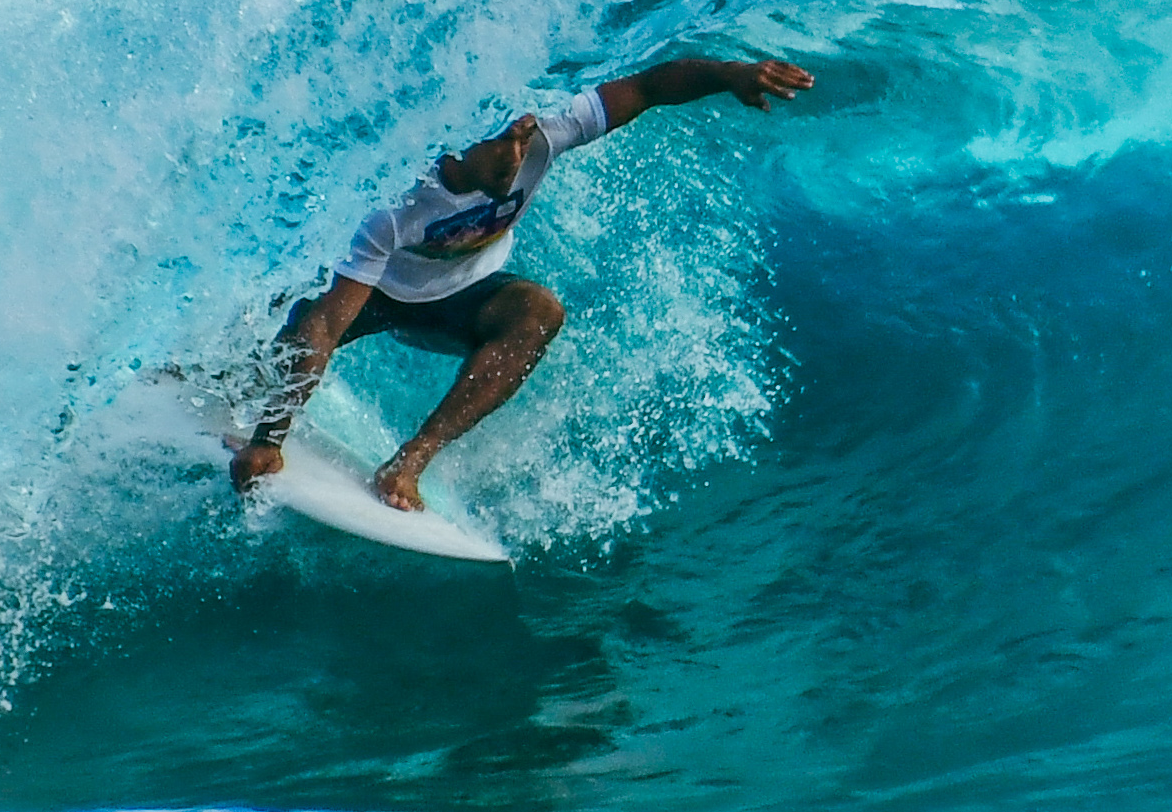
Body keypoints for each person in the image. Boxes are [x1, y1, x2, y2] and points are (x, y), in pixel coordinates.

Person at [230, 56, 814, 511]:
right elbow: (328, 323)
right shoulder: (396, 200)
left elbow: (648, 87)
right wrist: (269, 441)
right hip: (377, 294)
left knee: (539, 312)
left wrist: (730, 75)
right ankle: (226, 376)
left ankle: (409, 463)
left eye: (522, 137)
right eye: (502, 143)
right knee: (285, 344)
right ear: (459, 141)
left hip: (462, 297)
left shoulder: (547, 134)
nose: (516, 157)